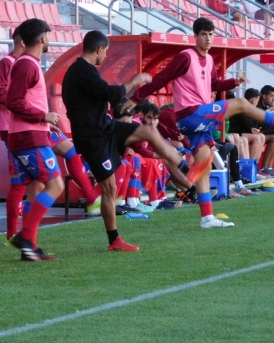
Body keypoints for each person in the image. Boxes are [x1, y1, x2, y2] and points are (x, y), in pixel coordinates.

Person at [129, 18, 274, 228]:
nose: (208, 38)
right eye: (203, 34)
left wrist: (233, 82)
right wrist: (135, 98)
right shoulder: (186, 57)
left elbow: (214, 84)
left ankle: (207, 217)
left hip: (200, 118)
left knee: (204, 164)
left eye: (211, 34)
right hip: (190, 114)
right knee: (240, 103)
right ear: (196, 36)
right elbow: (162, 78)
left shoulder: (210, 60)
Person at [62, 31, 193, 251]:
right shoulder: (81, 70)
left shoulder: (85, 71)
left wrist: (127, 103)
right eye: (106, 52)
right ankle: (114, 240)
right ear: (100, 49)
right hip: (93, 138)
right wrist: (133, 81)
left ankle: (180, 164)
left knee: (148, 131)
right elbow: (107, 92)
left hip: (106, 128)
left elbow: (107, 97)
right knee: (109, 188)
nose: (106, 56)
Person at [3, 20, 64, 261]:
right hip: (29, 135)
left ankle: (30, 248)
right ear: (43, 39)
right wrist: (43, 116)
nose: (49, 39)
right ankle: (26, 236)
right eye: (48, 35)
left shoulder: (30, 64)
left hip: (29, 134)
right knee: (56, 185)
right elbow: (14, 101)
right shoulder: (27, 65)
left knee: (36, 188)